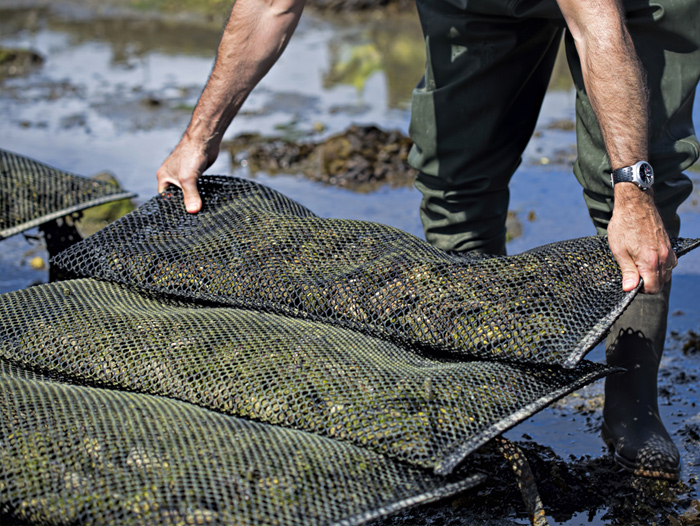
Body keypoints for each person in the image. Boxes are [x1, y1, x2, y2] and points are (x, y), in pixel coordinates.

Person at [156, 0, 700, 481]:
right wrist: (199, 137)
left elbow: (597, 24)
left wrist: (633, 188)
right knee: (454, 177)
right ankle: (476, 389)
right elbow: (269, 5)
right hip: (475, 6)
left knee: (637, 186)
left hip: (624, 8)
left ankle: (633, 407)